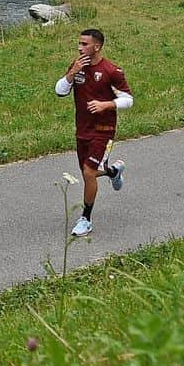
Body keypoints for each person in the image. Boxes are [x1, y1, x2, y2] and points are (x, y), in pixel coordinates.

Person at [55, 28, 132, 236]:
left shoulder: (111, 71)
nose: (80, 48)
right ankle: (113, 172)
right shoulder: (77, 66)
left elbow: (128, 99)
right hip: (82, 129)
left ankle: (86, 219)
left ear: (96, 46)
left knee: (89, 172)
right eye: (79, 44)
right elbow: (60, 91)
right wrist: (71, 73)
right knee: (89, 173)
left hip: (104, 131)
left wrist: (106, 104)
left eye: (84, 44)